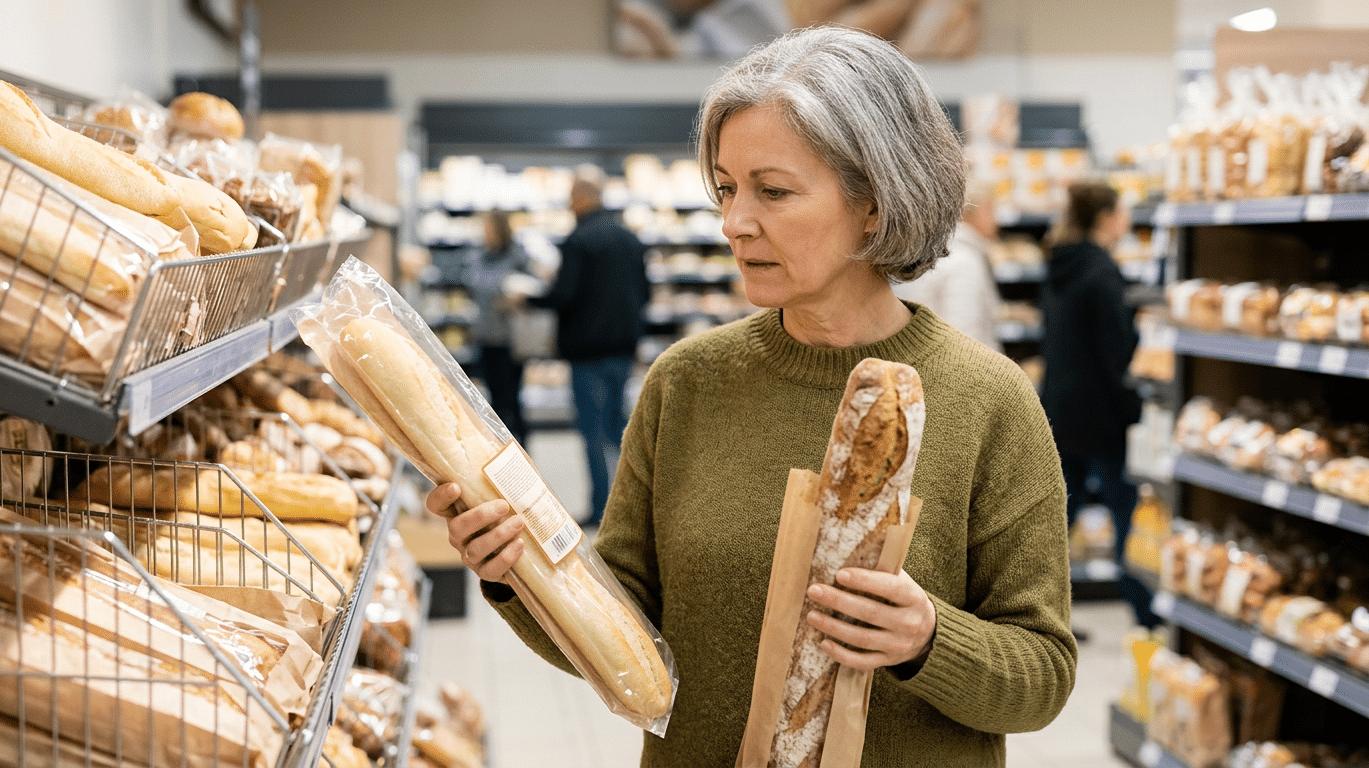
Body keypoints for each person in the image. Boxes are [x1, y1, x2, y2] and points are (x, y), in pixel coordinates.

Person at [429, 26, 1076, 767]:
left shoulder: (989, 401)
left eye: (773, 191)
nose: (735, 223)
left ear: (875, 201)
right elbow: (621, 635)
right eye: (727, 189)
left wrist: (927, 639)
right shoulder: (686, 383)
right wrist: (518, 574)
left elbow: (1043, 675)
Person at [1039, 181, 1159, 630]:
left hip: (1060, 411)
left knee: (1055, 522)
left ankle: (1037, 614)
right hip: (1104, 416)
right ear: (1106, 217)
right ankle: (1148, 616)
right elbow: (1117, 354)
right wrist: (1135, 410)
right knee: (1128, 514)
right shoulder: (1102, 271)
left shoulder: (1059, 264)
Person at [527, 176, 650, 527]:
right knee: (620, 428)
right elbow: (645, 292)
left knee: (593, 431)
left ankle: (601, 509)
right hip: (623, 348)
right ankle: (633, 507)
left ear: (583, 198)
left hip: (587, 352)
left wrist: (530, 299)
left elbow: (565, 296)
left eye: (571, 196)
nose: (568, 203)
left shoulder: (578, 241)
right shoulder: (629, 238)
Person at [893, 184, 1003, 350]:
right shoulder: (963, 263)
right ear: (968, 212)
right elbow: (965, 336)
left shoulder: (939, 250)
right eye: (990, 210)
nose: (996, 221)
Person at [462, 210, 533, 446]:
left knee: (511, 399)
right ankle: (499, 448)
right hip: (485, 336)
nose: (485, 232)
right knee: (493, 400)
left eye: (488, 227)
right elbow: (471, 284)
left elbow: (532, 289)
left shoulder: (517, 256)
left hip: (511, 340)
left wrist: (517, 298)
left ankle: (520, 448)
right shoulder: (479, 256)